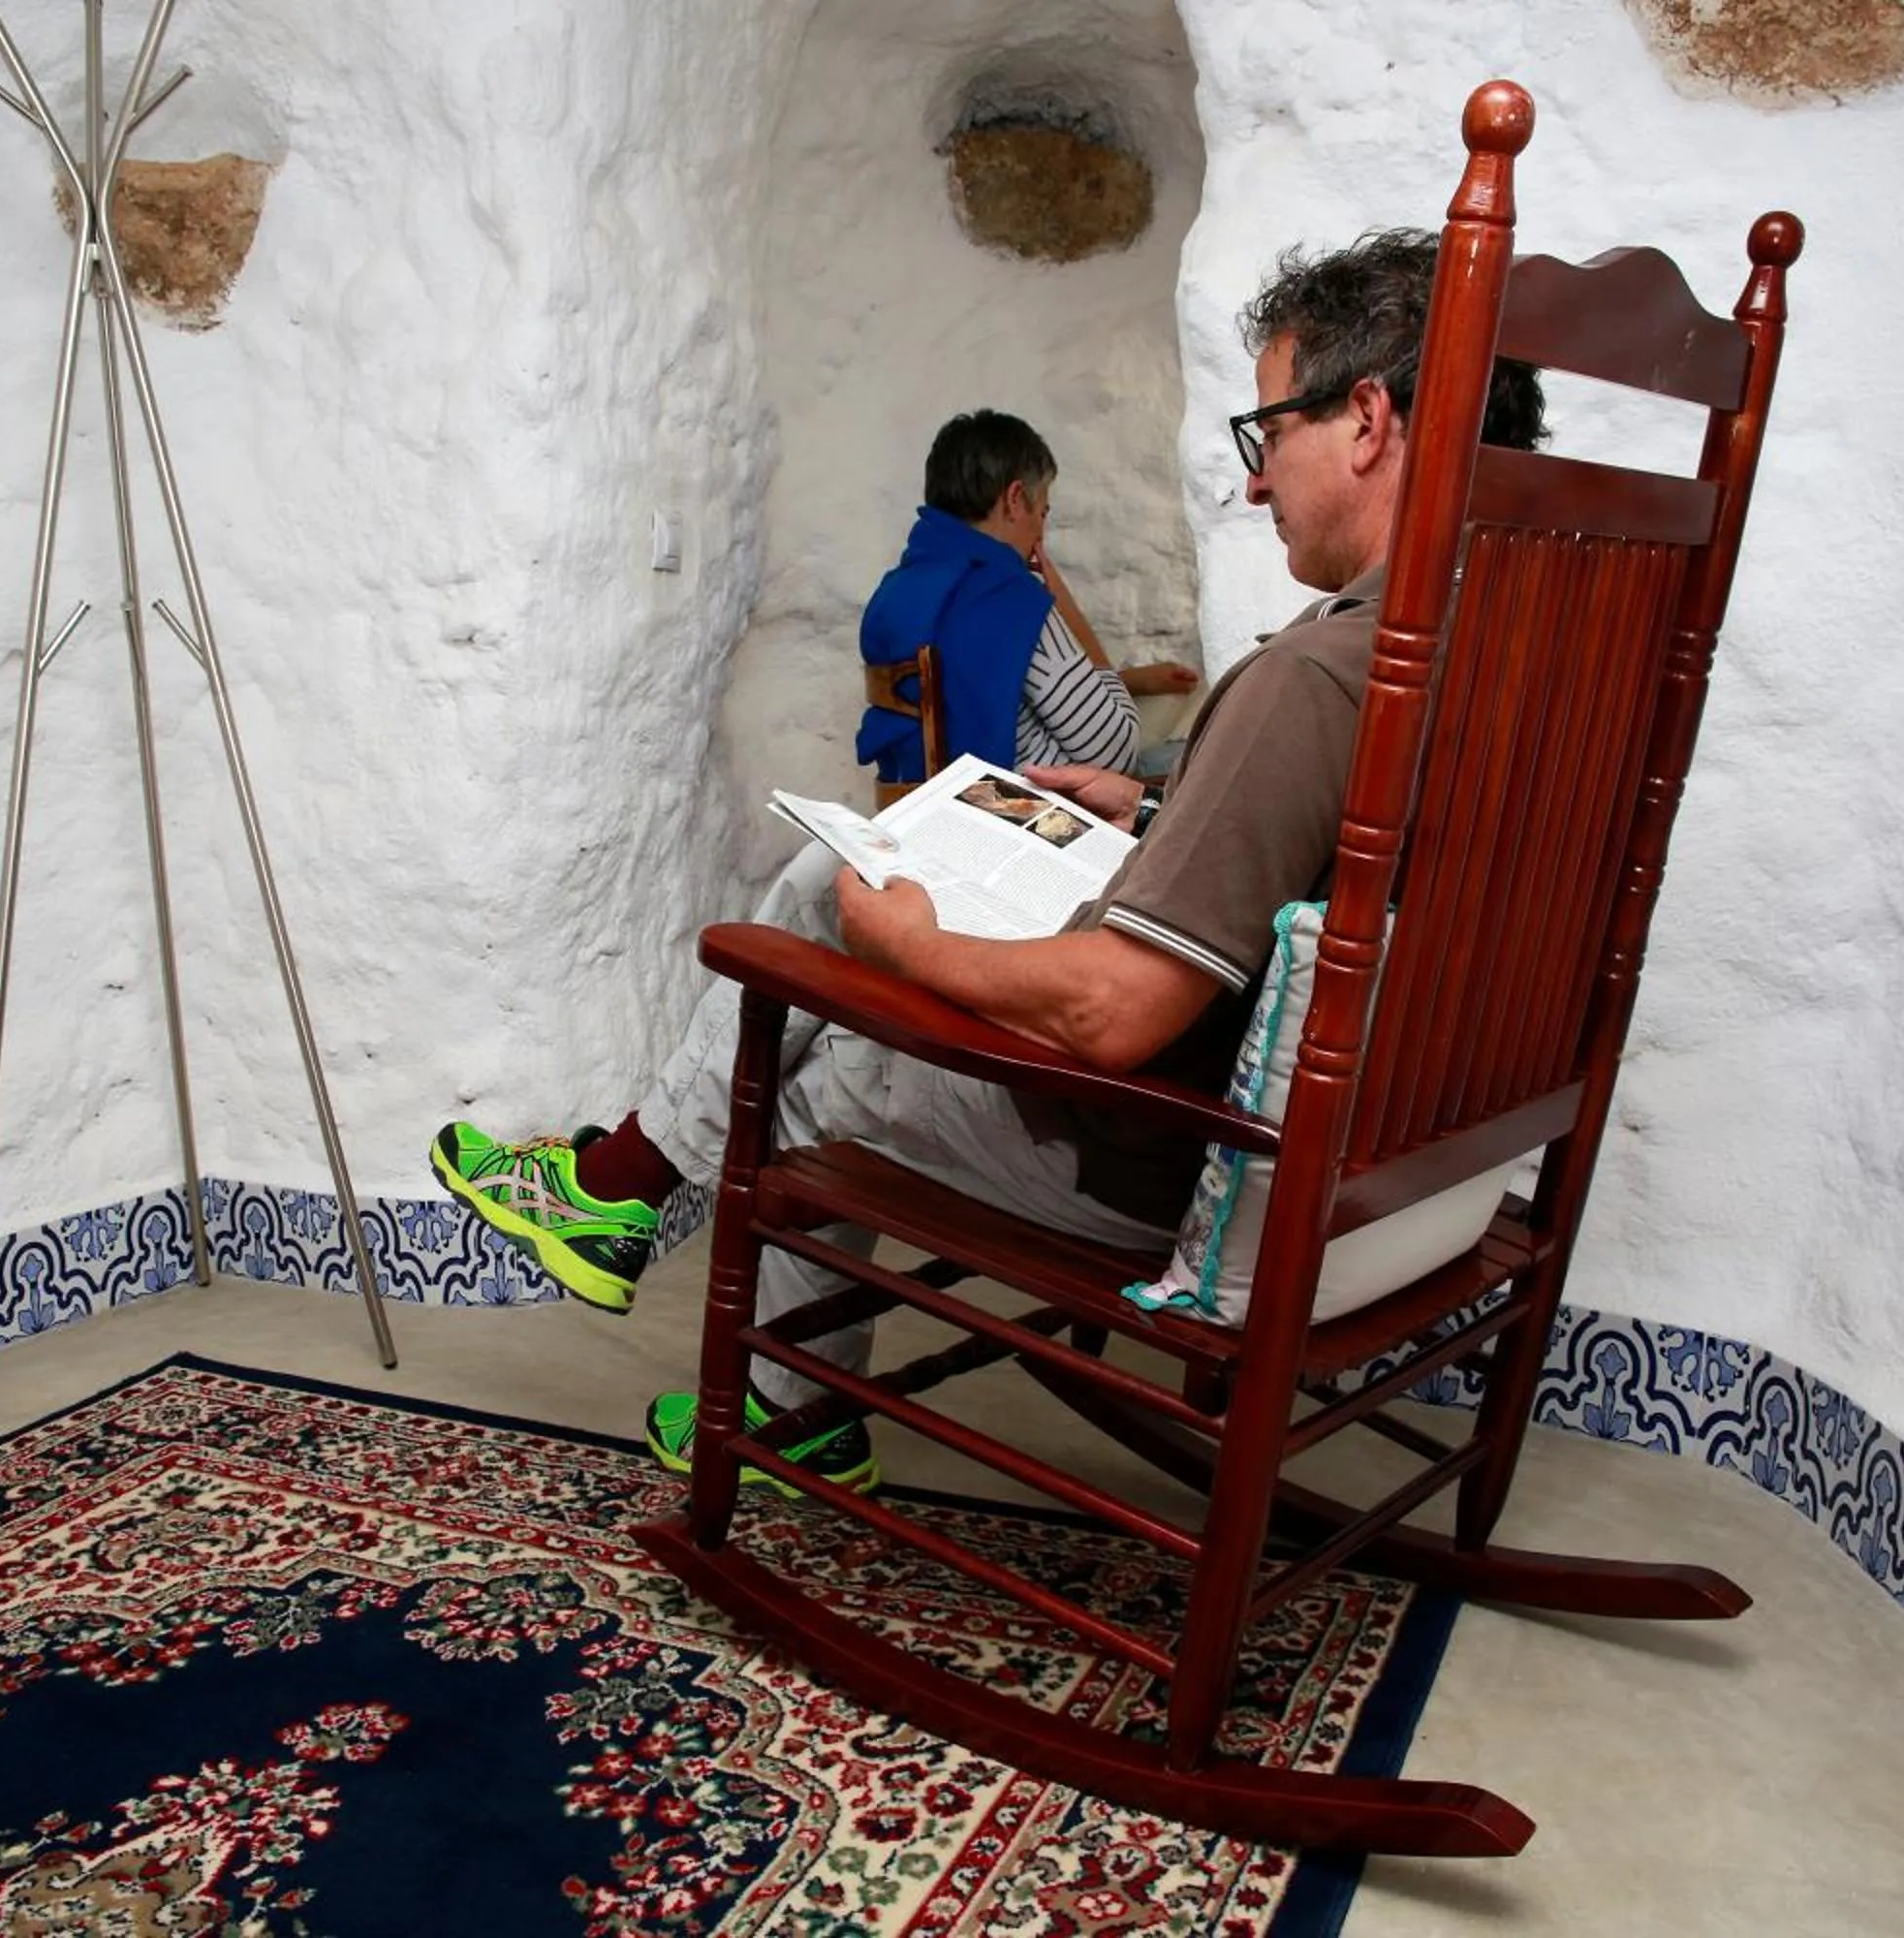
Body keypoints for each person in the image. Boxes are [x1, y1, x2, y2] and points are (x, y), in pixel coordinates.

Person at [431, 230, 1545, 1494]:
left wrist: (907, 945)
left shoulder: (1315, 677)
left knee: (813, 1051)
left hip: (1170, 1160)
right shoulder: (1527, 654)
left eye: (1267, 433)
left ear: (1368, 421)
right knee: (834, 898)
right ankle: (626, 1196)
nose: (1253, 484)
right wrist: (1159, 796)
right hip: (1408, 1182)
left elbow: (1115, 1013)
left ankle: (731, 1330)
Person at [855, 410, 1197, 791]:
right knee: (1193, 757)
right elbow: (1115, 752)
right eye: (1043, 513)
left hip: (916, 807)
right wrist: (1059, 600)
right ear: (1015, 499)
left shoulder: (892, 594)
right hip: (1007, 811)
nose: (1040, 535)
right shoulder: (1005, 594)